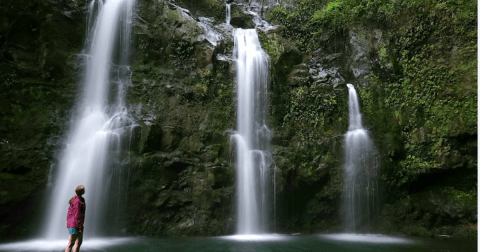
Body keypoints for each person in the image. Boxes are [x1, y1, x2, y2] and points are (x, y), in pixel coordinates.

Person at [65, 185, 86, 252]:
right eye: (84, 190)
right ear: (82, 192)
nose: (85, 191)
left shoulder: (77, 199)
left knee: (75, 242)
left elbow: (70, 214)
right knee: (73, 243)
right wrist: (79, 227)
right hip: (75, 224)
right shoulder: (78, 201)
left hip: (72, 223)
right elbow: (77, 214)